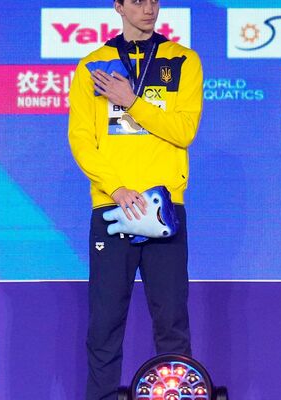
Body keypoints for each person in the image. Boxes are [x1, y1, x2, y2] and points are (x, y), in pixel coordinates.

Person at [67, 0, 203, 398]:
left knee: (172, 323)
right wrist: (116, 188)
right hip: (114, 208)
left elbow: (183, 130)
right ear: (119, 6)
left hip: (165, 208)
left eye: (154, 0)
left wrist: (132, 101)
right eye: (138, 1)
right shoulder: (94, 65)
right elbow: (82, 140)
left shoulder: (183, 61)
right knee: (105, 324)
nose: (149, 8)